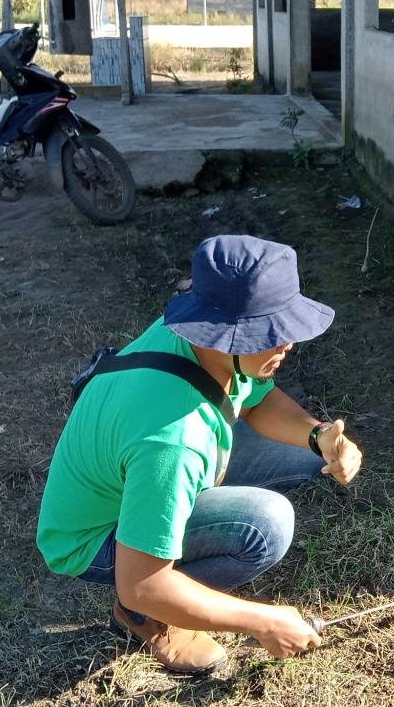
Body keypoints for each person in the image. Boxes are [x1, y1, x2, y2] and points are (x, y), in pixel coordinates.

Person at [36, 235, 363, 673]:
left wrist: (319, 436)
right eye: (271, 333)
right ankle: (149, 623)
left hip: (142, 471)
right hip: (97, 540)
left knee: (304, 456)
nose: (287, 344)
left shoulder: (198, 341)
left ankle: (179, 522)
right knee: (266, 525)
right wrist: (263, 621)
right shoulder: (174, 440)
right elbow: (142, 584)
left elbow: (256, 399)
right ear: (228, 334)